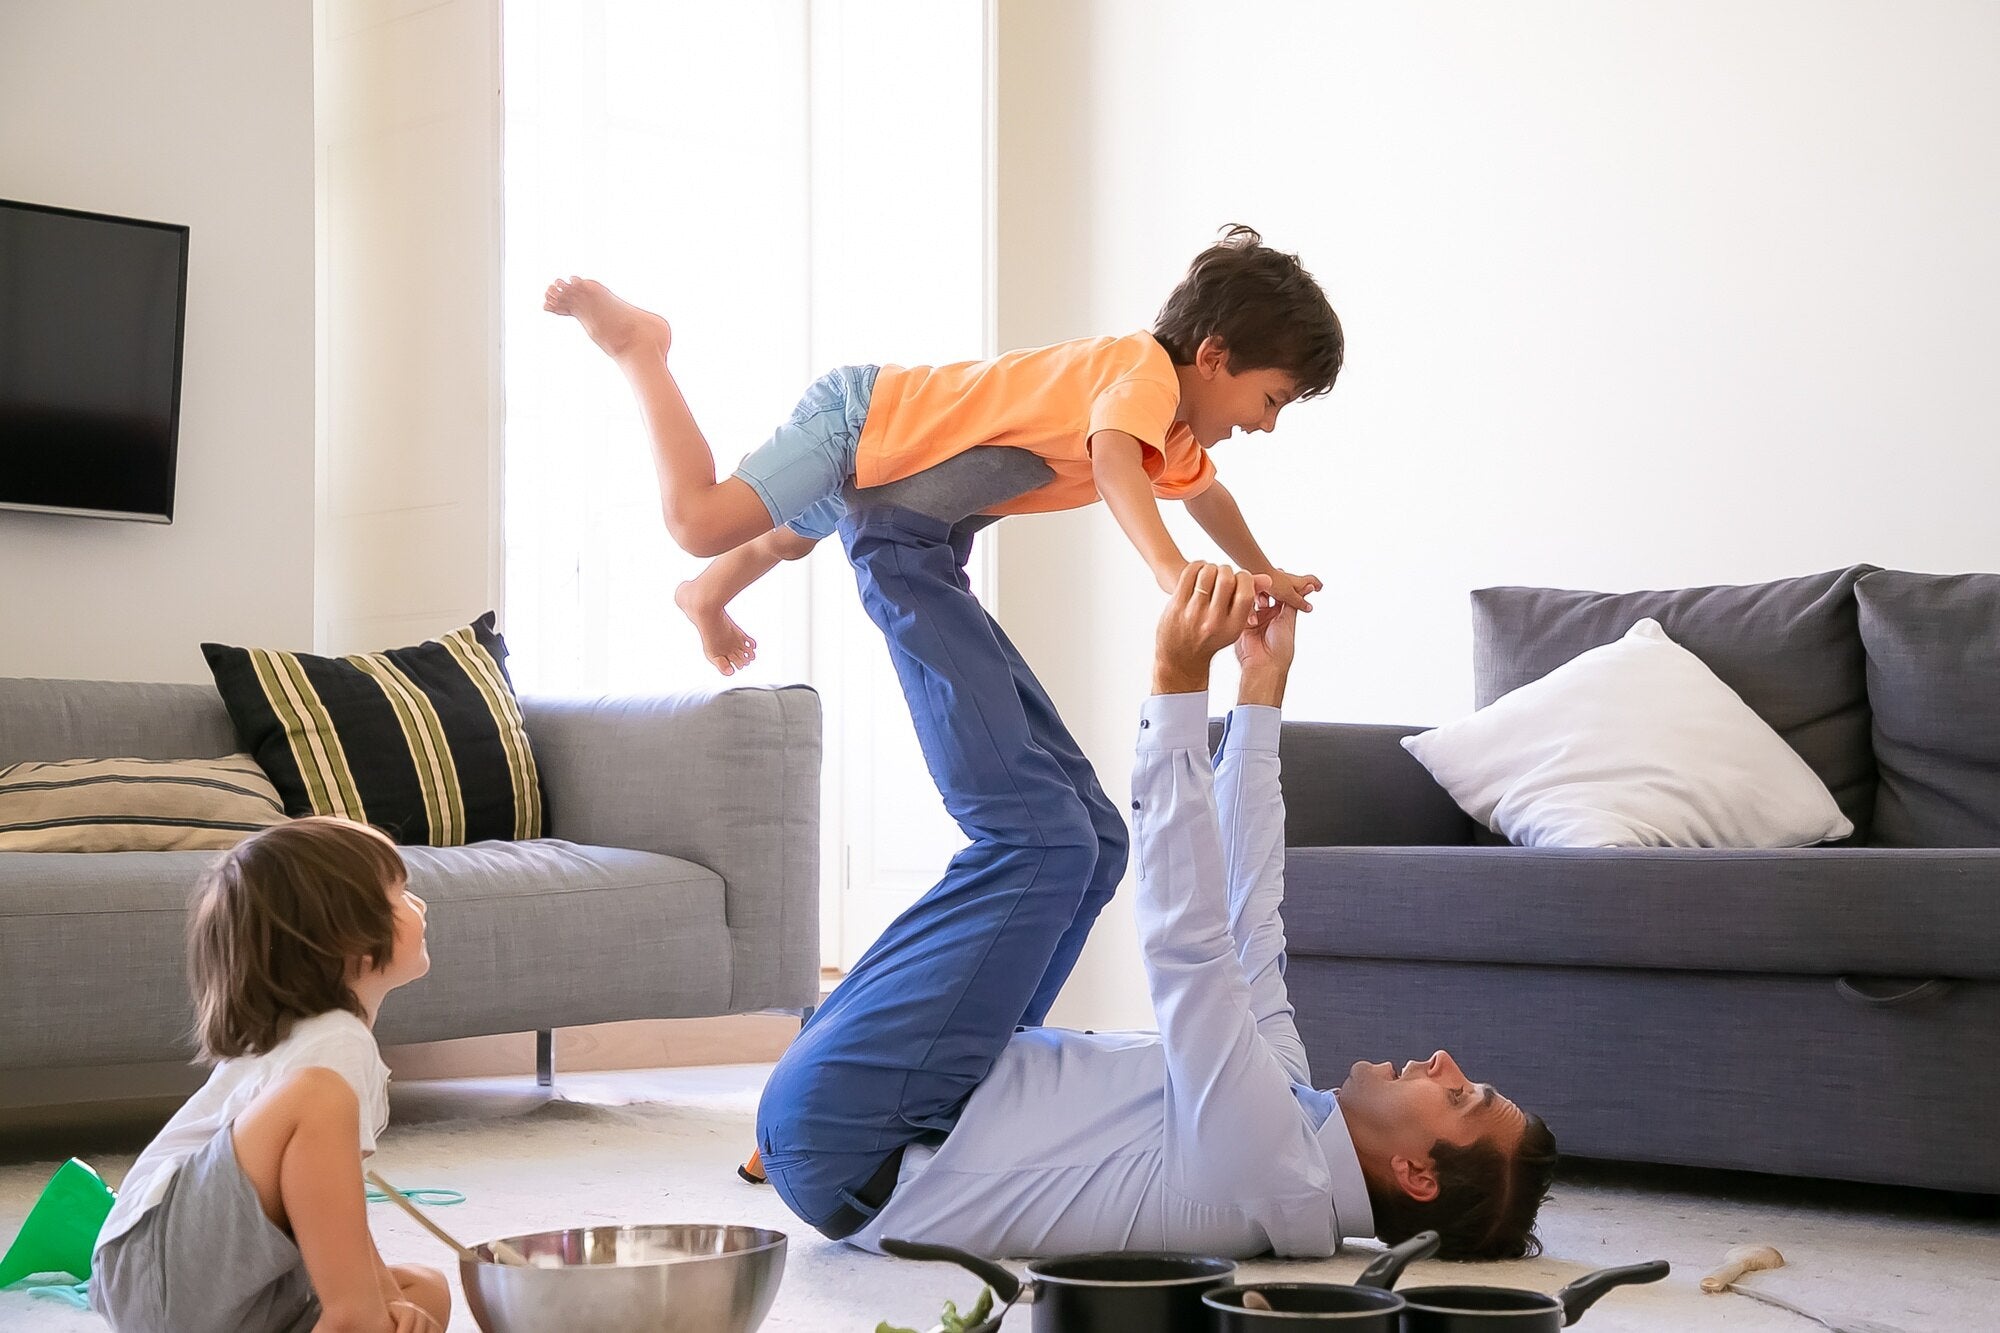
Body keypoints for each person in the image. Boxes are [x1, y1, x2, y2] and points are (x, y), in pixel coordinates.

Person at [755, 525, 1558, 1260]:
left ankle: (891, 542)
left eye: (1460, 1093)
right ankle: (930, 563)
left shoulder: (1266, 1162)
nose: (1443, 1061)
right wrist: (1258, 695)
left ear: (1415, 1174)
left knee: (1045, 847)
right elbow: (1251, 918)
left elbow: (1189, 950)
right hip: (910, 1103)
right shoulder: (1290, 1117)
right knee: (1096, 844)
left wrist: (1177, 682)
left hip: (850, 1134)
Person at [544, 224, 1338, 674]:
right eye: (1271, 400)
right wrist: (1171, 572)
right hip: (860, 420)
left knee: (788, 538)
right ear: (1212, 356)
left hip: (887, 459)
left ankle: (706, 596)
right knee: (698, 518)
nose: (1267, 423)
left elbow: (1209, 496)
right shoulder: (1140, 375)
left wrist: (1262, 567)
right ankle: (640, 347)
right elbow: (1109, 463)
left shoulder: (1173, 435)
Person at [92, 817, 449, 1333]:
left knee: (423, 1293)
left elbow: (333, 1217)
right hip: (157, 1263)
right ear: (348, 937)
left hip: (229, 1289)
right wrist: (359, 1308)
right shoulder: (334, 1045)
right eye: (400, 893)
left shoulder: (324, 1040)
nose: (419, 905)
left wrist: (384, 1299)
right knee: (320, 1097)